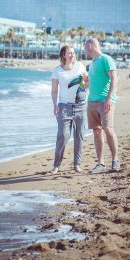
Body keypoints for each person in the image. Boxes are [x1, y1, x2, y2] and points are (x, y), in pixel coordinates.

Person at [51, 45, 88, 174]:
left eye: (73, 52)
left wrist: (82, 86)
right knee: (63, 135)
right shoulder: (57, 70)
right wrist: (55, 105)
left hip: (80, 106)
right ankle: (56, 165)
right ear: (63, 55)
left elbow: (87, 81)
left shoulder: (80, 66)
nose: (72, 55)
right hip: (64, 106)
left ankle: (77, 165)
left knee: (79, 136)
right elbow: (54, 90)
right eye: (69, 53)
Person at [85, 38, 120, 173]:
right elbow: (90, 83)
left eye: (85, 47)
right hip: (91, 102)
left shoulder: (106, 59)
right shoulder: (93, 63)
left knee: (108, 128)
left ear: (89, 46)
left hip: (104, 101)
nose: (85, 50)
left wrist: (109, 99)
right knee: (96, 131)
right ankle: (101, 163)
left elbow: (114, 78)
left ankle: (115, 160)